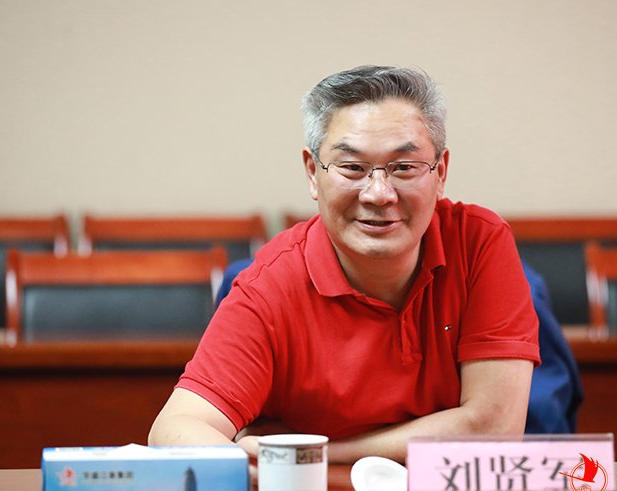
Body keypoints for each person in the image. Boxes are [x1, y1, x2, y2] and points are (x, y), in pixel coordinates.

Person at [149, 65, 541, 467]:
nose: (379, 194)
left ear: (440, 173)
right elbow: (174, 428)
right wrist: (248, 466)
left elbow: (494, 428)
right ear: (312, 173)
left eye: (403, 167)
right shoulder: (271, 284)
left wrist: (309, 456)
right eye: (352, 167)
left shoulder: (478, 242)